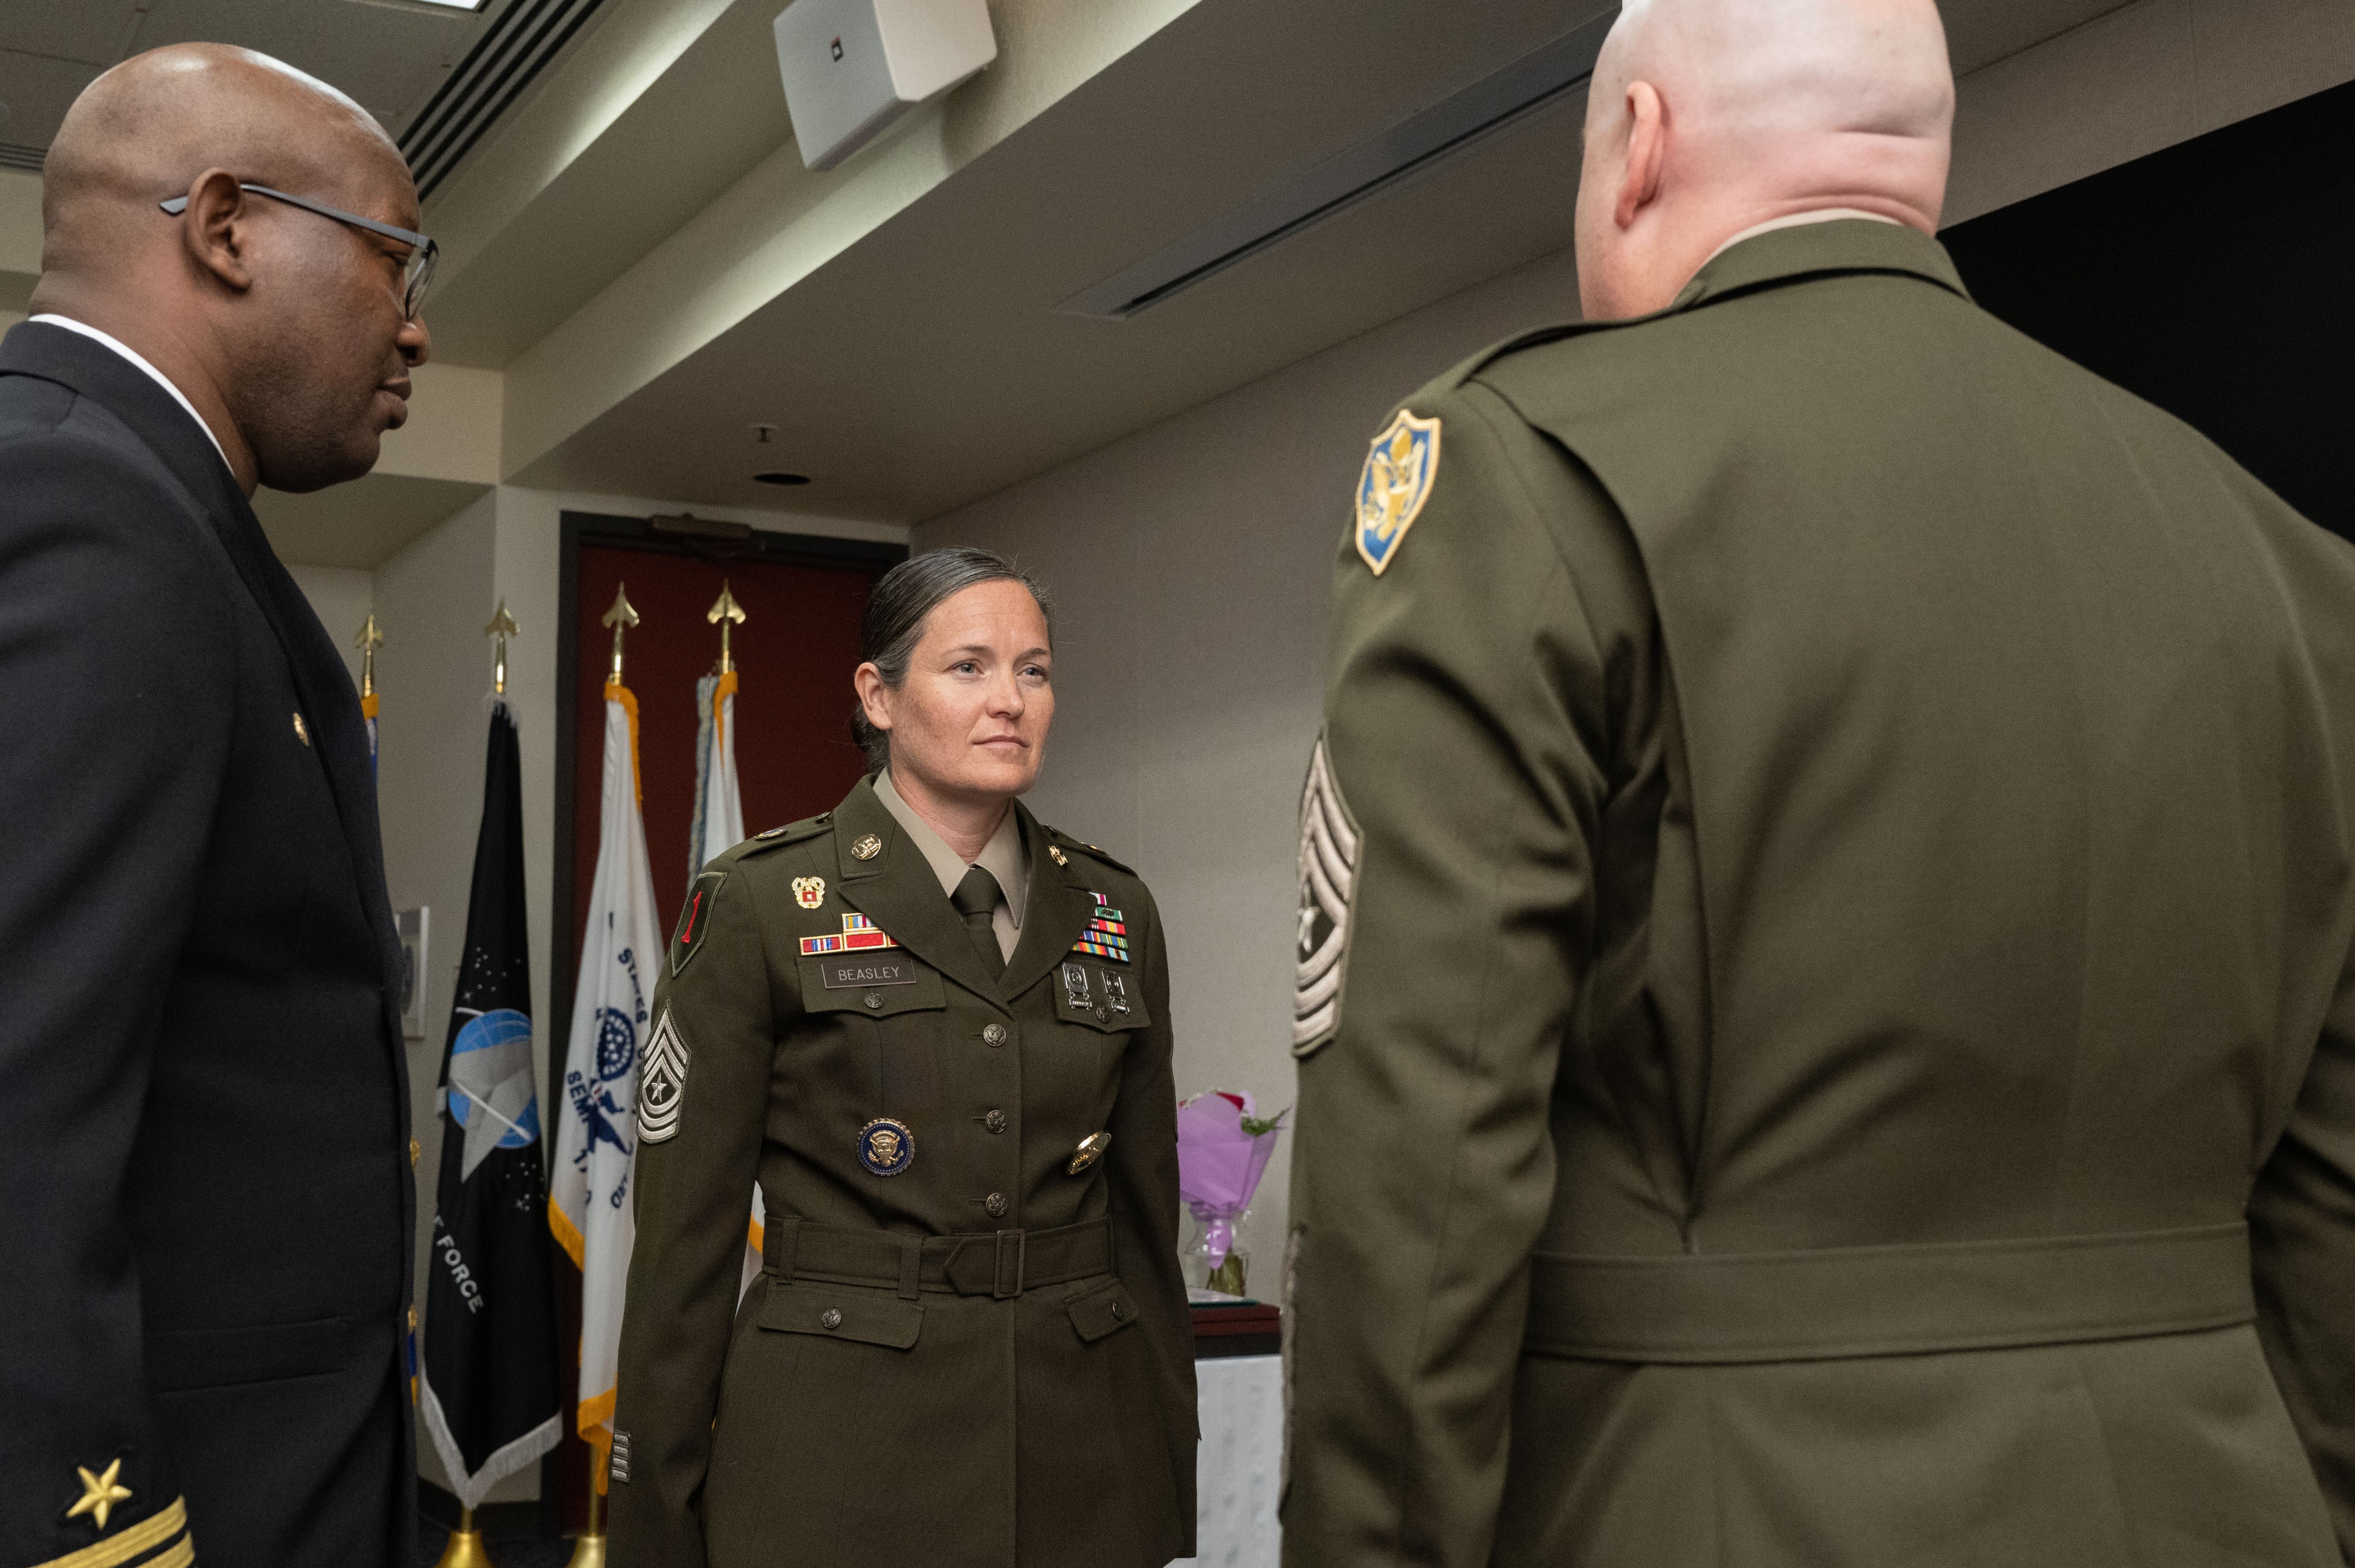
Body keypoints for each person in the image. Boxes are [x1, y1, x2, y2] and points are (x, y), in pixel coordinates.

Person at [1282, 1, 2355, 1564]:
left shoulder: (1519, 473)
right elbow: (2328, 1196)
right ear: (1908, 161)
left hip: (1704, 1496)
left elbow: (1419, 1187)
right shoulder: (2285, 566)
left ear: (1636, 145)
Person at [0, 45, 432, 1568]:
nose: (416, 323)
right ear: (229, 227)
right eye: (396, 255)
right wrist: (93, 1535)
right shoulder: (92, 509)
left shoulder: (143, 498)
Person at [609, 548, 1196, 1568]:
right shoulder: (761, 903)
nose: (1009, 700)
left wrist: (1164, 1461)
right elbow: (681, 1256)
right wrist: (657, 1524)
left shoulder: (1114, 909)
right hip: (840, 1456)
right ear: (878, 697)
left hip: (1078, 1454)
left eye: (1035, 670)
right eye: (969, 668)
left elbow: (1145, 1223)